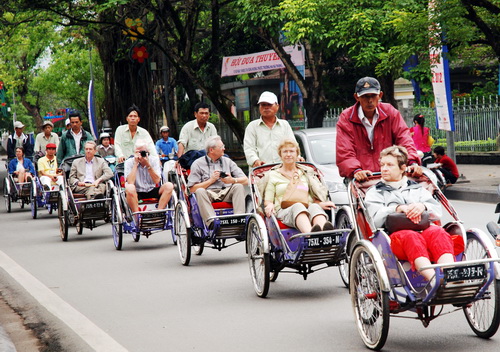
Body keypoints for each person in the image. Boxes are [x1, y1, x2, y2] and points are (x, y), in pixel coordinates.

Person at [364, 145, 454, 282]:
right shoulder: (374, 192)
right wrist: (396, 208)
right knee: (411, 237)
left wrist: (422, 206)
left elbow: (437, 211)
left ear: (402, 168)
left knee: (438, 233)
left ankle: (451, 274)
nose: (384, 169)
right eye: (382, 165)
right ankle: (435, 280)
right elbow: (374, 220)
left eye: (390, 165)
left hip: (423, 230)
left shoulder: (417, 188)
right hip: (394, 238)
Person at [336, 77, 421, 182]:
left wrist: (412, 162)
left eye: (373, 96)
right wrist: (356, 170)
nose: (370, 100)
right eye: (365, 96)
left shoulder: (390, 112)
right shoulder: (346, 118)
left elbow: (404, 139)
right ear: (356, 97)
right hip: (361, 180)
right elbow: (344, 151)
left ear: (380, 95)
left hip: (390, 176)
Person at [262, 139, 335, 233]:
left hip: (308, 206)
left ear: (297, 154)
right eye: (285, 151)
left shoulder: (305, 172)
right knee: (298, 206)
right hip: (284, 210)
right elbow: (268, 200)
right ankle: (310, 235)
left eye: (291, 151)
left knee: (314, 207)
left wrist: (320, 203)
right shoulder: (273, 175)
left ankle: (324, 233)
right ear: (280, 155)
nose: (288, 154)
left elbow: (314, 194)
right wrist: (269, 205)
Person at [187, 135, 248, 228]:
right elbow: (192, 189)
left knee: (238, 186)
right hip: (208, 193)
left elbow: (246, 180)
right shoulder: (198, 164)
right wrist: (211, 180)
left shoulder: (228, 161)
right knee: (199, 191)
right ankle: (212, 222)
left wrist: (232, 180)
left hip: (225, 191)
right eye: (221, 147)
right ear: (211, 150)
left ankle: (238, 221)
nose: (224, 148)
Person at [244, 91, 296, 168]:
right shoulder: (252, 127)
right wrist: (255, 161)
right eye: (263, 105)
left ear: (277, 106)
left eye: (269, 104)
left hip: (283, 170)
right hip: (261, 171)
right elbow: (249, 148)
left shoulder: (284, 125)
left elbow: (292, 145)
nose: (266, 107)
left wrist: (297, 157)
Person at [124, 140, 174, 213]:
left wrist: (147, 165)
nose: (141, 155)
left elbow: (157, 180)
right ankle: (137, 215)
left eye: (143, 152)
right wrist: (135, 164)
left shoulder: (154, 160)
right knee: (130, 188)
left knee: (169, 186)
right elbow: (130, 182)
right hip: (136, 192)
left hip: (151, 189)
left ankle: (159, 212)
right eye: (138, 152)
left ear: (148, 152)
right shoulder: (129, 162)